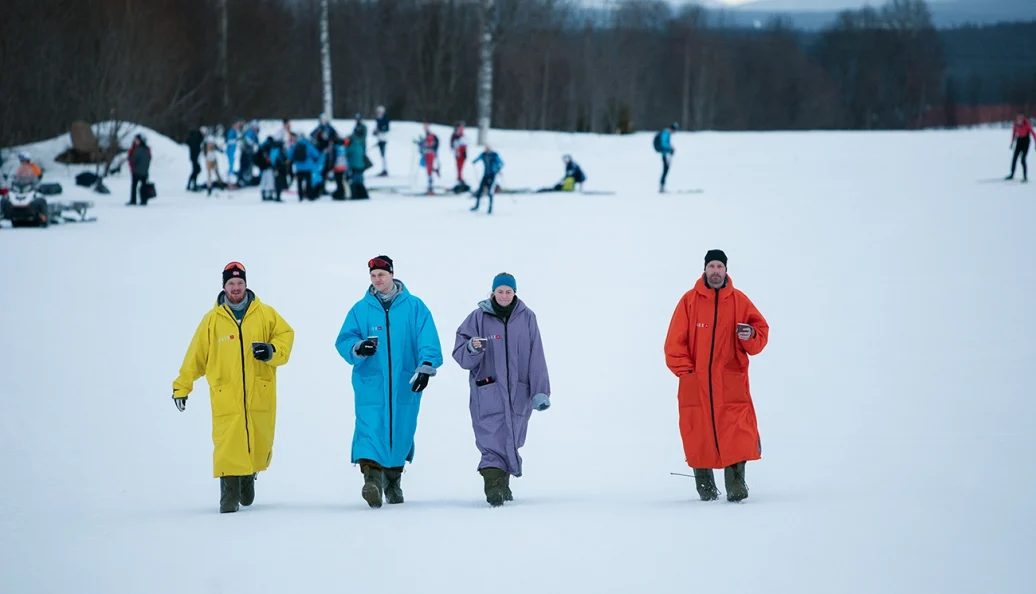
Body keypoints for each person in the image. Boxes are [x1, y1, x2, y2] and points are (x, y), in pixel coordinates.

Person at [171, 262, 295, 513]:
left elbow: (285, 335)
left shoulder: (266, 314)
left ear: (245, 284)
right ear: (224, 287)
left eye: (239, 283)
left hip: (259, 392)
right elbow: (196, 356)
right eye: (231, 283)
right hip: (226, 394)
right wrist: (182, 386)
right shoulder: (212, 321)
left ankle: (248, 474)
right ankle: (229, 491)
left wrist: (271, 350)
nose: (236, 288)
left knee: (257, 439)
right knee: (227, 444)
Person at [334, 256, 443, 508]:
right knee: (369, 429)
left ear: (392, 274)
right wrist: (358, 347)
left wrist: (426, 367)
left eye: (381, 275)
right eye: (373, 276)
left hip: (405, 383)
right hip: (370, 384)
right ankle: (372, 482)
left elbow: (427, 339)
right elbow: (344, 340)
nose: (377, 280)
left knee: (401, 430)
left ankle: (393, 482)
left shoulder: (415, 307)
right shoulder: (360, 309)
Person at [663, 249, 769, 503]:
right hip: (696, 383)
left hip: (731, 382)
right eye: (711, 266)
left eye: (719, 266)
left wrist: (750, 335)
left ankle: (736, 486)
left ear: (726, 270)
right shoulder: (689, 301)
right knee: (698, 433)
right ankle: (706, 489)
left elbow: (760, 335)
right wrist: (687, 373)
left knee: (736, 432)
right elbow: (674, 343)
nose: (715, 271)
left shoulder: (739, 301)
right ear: (705, 269)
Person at [452, 273, 551, 507]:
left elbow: (536, 355)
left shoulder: (527, 317)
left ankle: (502, 484)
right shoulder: (478, 317)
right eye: (500, 291)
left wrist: (540, 391)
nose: (504, 295)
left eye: (508, 291)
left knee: (512, 436)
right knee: (490, 438)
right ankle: (493, 483)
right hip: (488, 390)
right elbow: (460, 354)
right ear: (493, 292)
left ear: (515, 292)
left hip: (519, 392)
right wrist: (471, 348)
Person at [471, 145, 503, 214]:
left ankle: (490, 208)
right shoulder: (483, 155)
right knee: (480, 190)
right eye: (486, 148)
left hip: (492, 175)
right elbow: (478, 158)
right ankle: (477, 206)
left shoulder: (494, 155)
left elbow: (501, 163)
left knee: (490, 192)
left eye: (488, 148)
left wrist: (497, 168)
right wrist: (474, 161)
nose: (486, 149)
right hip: (485, 175)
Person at [1007, 113, 1035, 182]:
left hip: (1026, 142)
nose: (1019, 123)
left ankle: (1025, 177)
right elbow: (1014, 133)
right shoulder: (1015, 124)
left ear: (1022, 120)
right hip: (1019, 141)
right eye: (1018, 121)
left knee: (1023, 159)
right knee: (1014, 158)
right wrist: (1012, 142)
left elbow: (1033, 133)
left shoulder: (1027, 124)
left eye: (1020, 121)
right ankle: (1012, 174)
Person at [128, 134, 151, 206]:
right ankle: (144, 200)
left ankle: (133, 200)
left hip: (137, 170)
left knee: (134, 186)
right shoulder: (147, 149)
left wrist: (129, 158)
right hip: (144, 171)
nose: (135, 141)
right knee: (143, 186)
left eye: (137, 140)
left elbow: (133, 158)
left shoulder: (137, 149)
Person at [654, 122, 678, 193]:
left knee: (665, 170)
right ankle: (661, 187)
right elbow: (663, 143)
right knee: (665, 170)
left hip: (665, 153)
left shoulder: (666, 133)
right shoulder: (666, 133)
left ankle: (662, 187)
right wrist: (670, 148)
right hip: (665, 154)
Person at [418, 122, 440, 195]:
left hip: (430, 154)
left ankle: (430, 186)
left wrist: (431, 148)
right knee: (426, 167)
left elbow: (434, 145)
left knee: (429, 168)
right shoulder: (425, 136)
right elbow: (422, 146)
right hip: (426, 154)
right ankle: (430, 184)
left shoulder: (431, 136)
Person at [450, 122, 468, 191]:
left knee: (460, 166)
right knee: (459, 166)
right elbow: (454, 145)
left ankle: (460, 178)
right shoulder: (455, 136)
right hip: (459, 153)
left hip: (462, 153)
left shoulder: (462, 135)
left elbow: (465, 143)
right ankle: (459, 178)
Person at [186, 126, 205, 191]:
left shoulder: (197, 137)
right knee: (196, 170)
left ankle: (191, 184)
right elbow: (195, 146)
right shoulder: (197, 137)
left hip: (194, 156)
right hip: (194, 157)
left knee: (196, 170)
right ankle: (192, 185)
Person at [373, 105, 390, 176]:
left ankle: (384, 170)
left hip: (383, 139)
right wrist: (375, 132)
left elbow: (387, 128)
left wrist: (379, 130)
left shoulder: (385, 119)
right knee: (382, 155)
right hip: (379, 138)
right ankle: (383, 169)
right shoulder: (378, 119)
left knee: (383, 155)